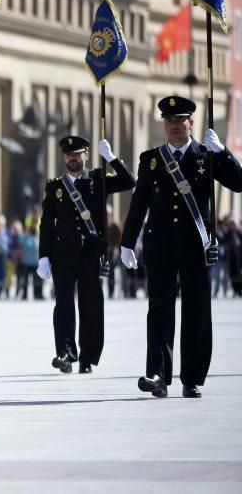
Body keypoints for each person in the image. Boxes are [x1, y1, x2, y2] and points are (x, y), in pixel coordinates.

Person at [120, 96, 242, 398]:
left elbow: (239, 182)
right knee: (159, 310)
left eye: (180, 120)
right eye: (169, 120)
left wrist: (223, 152)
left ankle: (192, 377)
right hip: (160, 245)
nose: (174, 126)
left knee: (197, 312)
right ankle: (158, 373)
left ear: (192, 123)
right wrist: (126, 243)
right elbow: (138, 205)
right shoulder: (151, 159)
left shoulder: (205, 156)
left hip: (195, 246)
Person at [37, 136, 135, 374]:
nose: (73, 158)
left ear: (87, 155)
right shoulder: (55, 187)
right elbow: (47, 224)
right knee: (63, 305)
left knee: (91, 305)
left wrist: (112, 159)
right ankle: (66, 353)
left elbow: (129, 181)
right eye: (68, 155)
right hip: (63, 254)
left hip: (91, 253)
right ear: (63, 157)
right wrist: (44, 256)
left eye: (77, 153)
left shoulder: (99, 180)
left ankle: (88, 356)